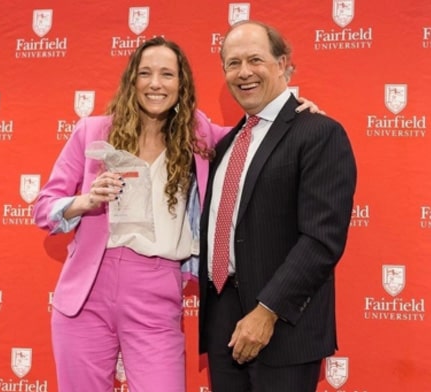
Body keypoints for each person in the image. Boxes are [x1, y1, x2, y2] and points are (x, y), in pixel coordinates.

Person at [33, 36, 320, 392]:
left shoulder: (199, 135)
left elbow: (255, 140)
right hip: (86, 293)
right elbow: (44, 208)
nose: (156, 83)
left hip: (157, 288)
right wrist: (84, 202)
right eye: (146, 73)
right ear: (131, 81)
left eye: (167, 74)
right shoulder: (92, 131)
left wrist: (292, 117)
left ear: (181, 84)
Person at [198, 21, 357, 392]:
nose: (244, 72)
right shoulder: (225, 145)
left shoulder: (319, 132)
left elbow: (322, 239)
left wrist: (267, 311)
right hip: (222, 318)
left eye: (256, 59)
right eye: (233, 63)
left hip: (283, 324)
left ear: (283, 64)